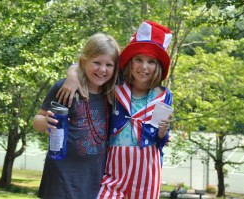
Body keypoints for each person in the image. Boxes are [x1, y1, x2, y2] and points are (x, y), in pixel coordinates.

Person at [58, 21, 173, 199]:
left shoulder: (164, 95)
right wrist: (72, 74)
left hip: (147, 168)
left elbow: (161, 139)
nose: (144, 67)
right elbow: (86, 66)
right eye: (138, 60)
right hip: (114, 166)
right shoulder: (116, 86)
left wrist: (163, 132)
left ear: (158, 66)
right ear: (130, 63)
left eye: (151, 62)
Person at [32, 33, 120, 199]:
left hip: (93, 180)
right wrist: (45, 122)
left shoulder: (113, 94)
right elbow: (37, 120)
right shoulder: (65, 88)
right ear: (83, 61)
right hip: (61, 177)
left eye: (109, 64)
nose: (102, 69)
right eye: (96, 63)